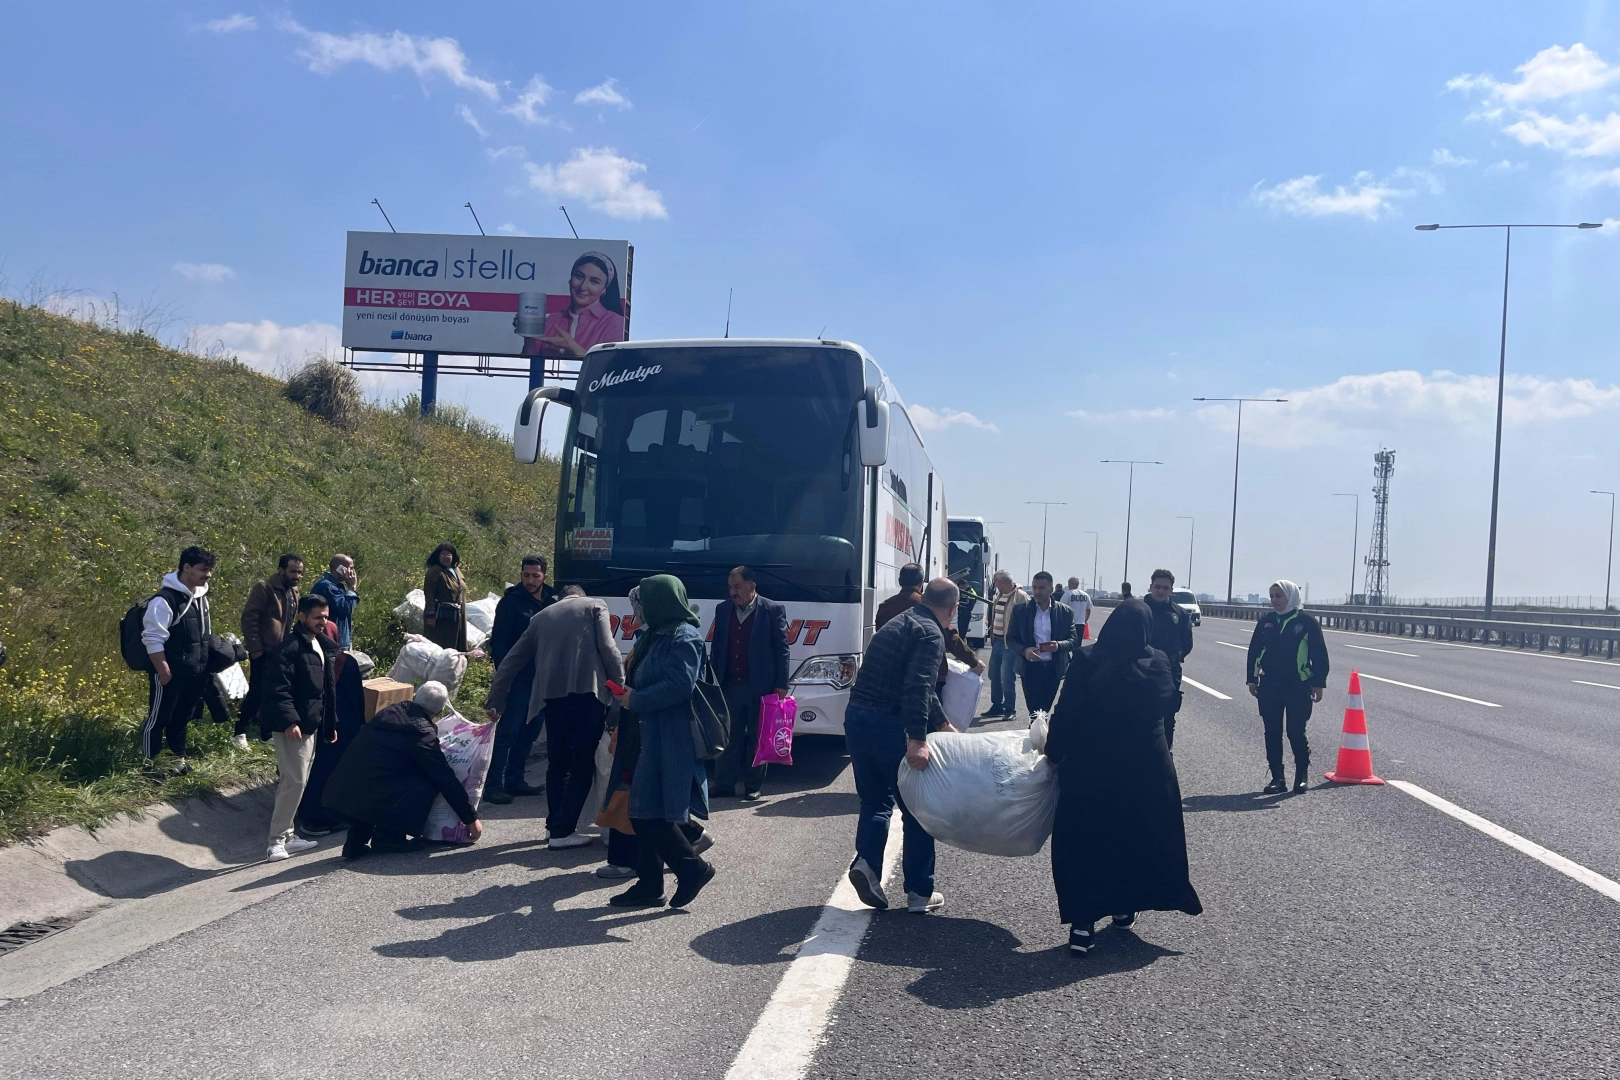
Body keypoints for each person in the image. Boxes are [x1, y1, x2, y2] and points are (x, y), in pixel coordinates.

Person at [1045, 599, 1203, 955]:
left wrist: (1053, 754)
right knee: (1134, 838)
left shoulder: (1087, 659)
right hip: (1147, 767)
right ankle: (1123, 907)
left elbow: (1067, 712)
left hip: (1092, 765)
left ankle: (1083, 924)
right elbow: (1167, 706)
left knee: (1086, 840)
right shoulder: (1158, 661)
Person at [844, 577, 958, 916]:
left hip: (857, 717)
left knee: (875, 800)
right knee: (918, 808)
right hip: (889, 723)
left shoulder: (899, 622)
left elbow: (914, 683)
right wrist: (919, 740)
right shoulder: (931, 634)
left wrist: (943, 724)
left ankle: (867, 865)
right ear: (953, 608)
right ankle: (920, 892)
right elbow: (918, 687)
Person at [605, 575, 716, 909]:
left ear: (661, 601)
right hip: (643, 732)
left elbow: (680, 686)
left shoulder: (685, 636)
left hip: (669, 736)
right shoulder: (654, 634)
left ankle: (692, 869)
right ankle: (650, 884)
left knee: (647, 812)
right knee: (643, 810)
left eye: (644, 602)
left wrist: (635, 699)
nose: (638, 609)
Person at [487, 585, 624, 848]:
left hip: (552, 700)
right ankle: (563, 831)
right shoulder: (595, 606)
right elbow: (608, 648)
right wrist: (620, 688)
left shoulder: (540, 617)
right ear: (580, 596)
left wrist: (496, 700)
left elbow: (511, 661)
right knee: (582, 764)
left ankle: (554, 827)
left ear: (560, 599)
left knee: (558, 763)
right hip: (588, 696)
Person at [324, 681, 484, 857]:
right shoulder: (421, 733)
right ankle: (390, 838)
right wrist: (470, 819)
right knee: (426, 779)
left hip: (337, 797)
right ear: (439, 712)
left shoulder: (388, 713)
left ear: (415, 697)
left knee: (379, 774)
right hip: (362, 799)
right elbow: (443, 777)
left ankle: (356, 842)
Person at [260, 595, 339, 860]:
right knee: (293, 781)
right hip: (294, 728)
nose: (322, 621)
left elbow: (325, 691)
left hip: (311, 725)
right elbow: (277, 690)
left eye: (325, 616)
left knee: (299, 781)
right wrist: (290, 721)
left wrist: (329, 724)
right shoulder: (288, 649)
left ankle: (289, 836)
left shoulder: (320, 645)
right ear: (302, 616)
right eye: (317, 617)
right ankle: (275, 842)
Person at [709, 566, 791, 801]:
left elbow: (782, 649)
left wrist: (781, 684)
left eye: (737, 586)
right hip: (730, 684)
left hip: (761, 686)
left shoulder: (772, 610)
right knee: (728, 736)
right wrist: (714, 679)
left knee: (759, 736)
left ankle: (753, 786)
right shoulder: (723, 609)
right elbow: (717, 647)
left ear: (751, 586)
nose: (732, 592)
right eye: (730, 587)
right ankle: (724, 783)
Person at [483, 555, 558, 803]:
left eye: (535, 576)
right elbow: (499, 642)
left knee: (530, 732)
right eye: (526, 575)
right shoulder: (510, 602)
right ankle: (493, 785)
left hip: (543, 680)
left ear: (544, 576)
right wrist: (505, 675)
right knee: (507, 733)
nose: (530, 581)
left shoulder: (553, 601)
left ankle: (515, 780)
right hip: (518, 679)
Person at [1245, 579, 1330, 794]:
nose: (1274, 600)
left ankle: (1301, 775)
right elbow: (1254, 651)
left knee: (1295, 731)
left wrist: (1319, 683)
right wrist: (1251, 679)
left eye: (1279, 595)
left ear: (1290, 596)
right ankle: (1277, 778)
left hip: (1298, 685)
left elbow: (1319, 654)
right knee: (1272, 731)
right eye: (1272, 596)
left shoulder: (1306, 622)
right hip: (1270, 685)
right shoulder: (1266, 622)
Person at [140, 546, 218, 776]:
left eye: (210, 570)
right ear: (186, 567)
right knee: (158, 719)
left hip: (194, 673)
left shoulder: (201, 598)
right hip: (170, 674)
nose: (208, 575)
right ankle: (149, 765)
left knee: (181, 718)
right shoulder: (164, 601)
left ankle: (178, 761)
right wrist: (163, 671)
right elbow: (152, 638)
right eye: (203, 569)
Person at [238, 553, 304, 751]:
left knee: (274, 693)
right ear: (281, 570)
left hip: (281, 652)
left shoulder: (293, 591)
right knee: (257, 692)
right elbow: (249, 618)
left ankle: (266, 733)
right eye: (293, 571)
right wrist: (256, 648)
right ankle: (239, 731)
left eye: (300, 572)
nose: (297, 576)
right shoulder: (265, 588)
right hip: (264, 650)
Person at [878, 563, 985, 683]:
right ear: (921, 583)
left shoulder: (884, 606)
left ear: (899, 581)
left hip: (891, 672)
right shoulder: (926, 605)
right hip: (927, 673)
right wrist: (973, 662)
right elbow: (950, 636)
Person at [515, 251, 628, 359]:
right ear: (570, 279)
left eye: (594, 281)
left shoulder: (616, 323)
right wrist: (529, 337)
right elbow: (529, 365)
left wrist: (572, 347)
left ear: (604, 289)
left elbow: (609, 368)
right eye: (579, 276)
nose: (583, 287)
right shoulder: (552, 320)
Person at [1006, 571, 1078, 714]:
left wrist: (1058, 646)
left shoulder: (1065, 612)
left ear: (1051, 589)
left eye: (1042, 587)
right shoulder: (1020, 610)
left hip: (1053, 668)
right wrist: (1024, 651)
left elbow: (1074, 640)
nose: (1037, 591)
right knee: (1034, 711)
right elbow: (1011, 638)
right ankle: (1035, 728)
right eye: (1034, 587)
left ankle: (1040, 728)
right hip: (1030, 667)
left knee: (1044, 711)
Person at [1144, 569, 1195, 750]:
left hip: (1169, 672)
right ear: (1151, 587)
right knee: (1139, 711)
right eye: (1157, 587)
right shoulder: (1139, 609)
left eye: (1165, 588)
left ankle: (1165, 753)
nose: (1161, 591)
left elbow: (1187, 643)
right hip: (1141, 670)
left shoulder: (1179, 613)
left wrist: (1173, 659)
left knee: (1168, 714)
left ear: (1171, 590)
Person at [980, 570, 1028, 719]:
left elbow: (1027, 620)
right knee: (994, 675)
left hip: (1011, 644)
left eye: (996, 582)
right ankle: (997, 705)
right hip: (997, 641)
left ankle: (1010, 709)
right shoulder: (999, 595)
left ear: (1002, 582)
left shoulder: (1020, 597)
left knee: (1007, 677)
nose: (995, 585)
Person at [309, 554, 360, 650]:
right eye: (350, 568)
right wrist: (352, 588)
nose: (353, 572)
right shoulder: (328, 587)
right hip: (331, 642)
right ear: (340, 569)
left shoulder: (335, 586)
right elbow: (346, 609)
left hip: (336, 641)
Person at [423, 543, 468, 651]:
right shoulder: (435, 571)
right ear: (438, 556)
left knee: (456, 643)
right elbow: (429, 593)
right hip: (441, 616)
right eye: (442, 554)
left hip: (456, 615)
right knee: (440, 644)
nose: (445, 557)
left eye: (448, 554)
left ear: (453, 556)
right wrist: (431, 614)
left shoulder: (456, 570)